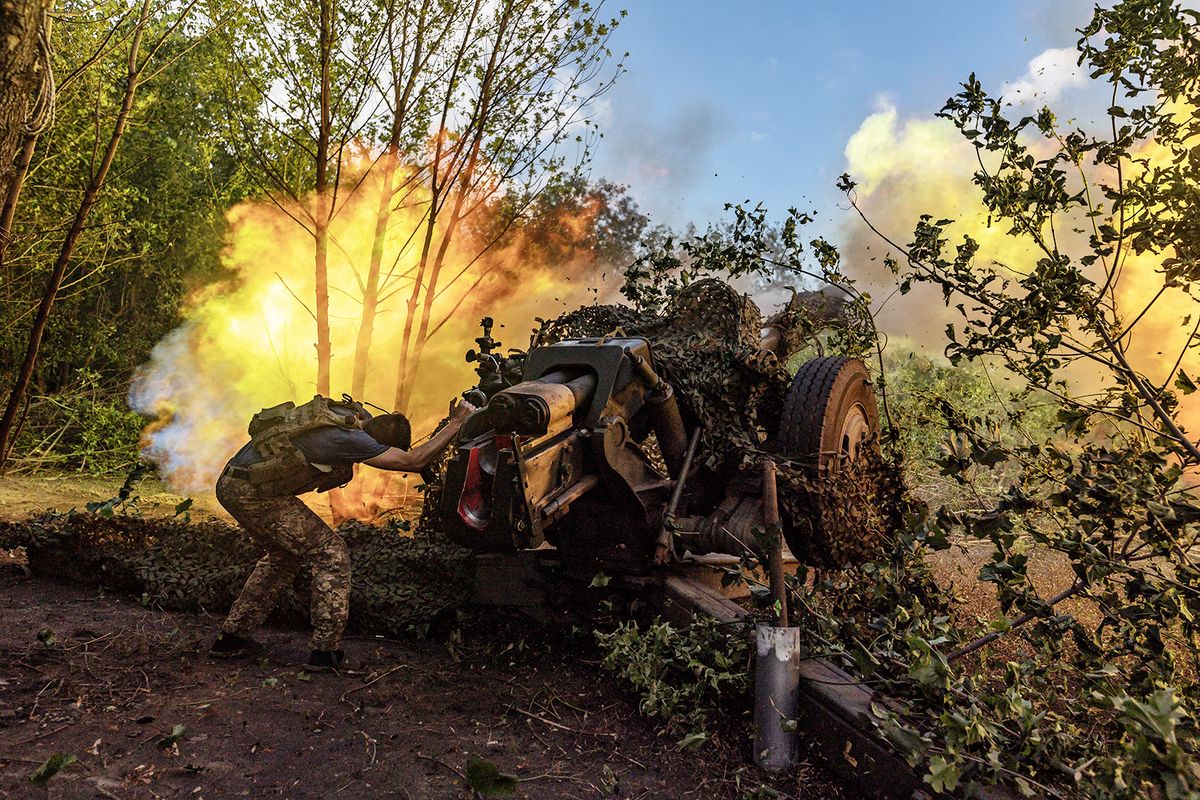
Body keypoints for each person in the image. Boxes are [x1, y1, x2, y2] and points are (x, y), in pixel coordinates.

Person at [208, 395, 476, 672]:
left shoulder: (353, 418)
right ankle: (326, 652)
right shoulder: (353, 440)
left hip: (235, 481)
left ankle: (231, 639)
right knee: (331, 554)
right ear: (380, 445)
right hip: (250, 493)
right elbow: (412, 462)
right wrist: (455, 423)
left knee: (283, 557)